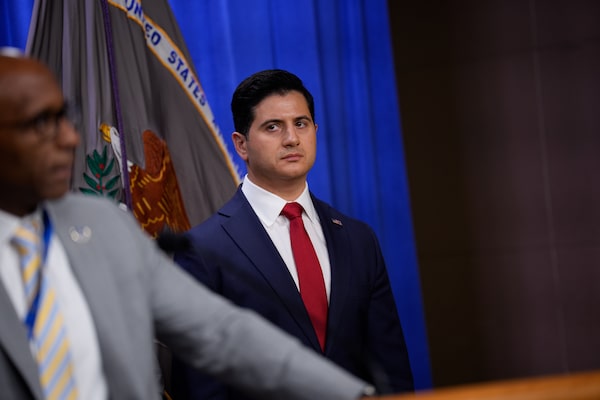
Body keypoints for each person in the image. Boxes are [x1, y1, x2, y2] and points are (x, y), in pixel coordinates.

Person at [0, 54, 377, 400]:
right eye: (40, 123)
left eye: (64, 117)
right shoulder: (207, 244)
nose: (70, 138)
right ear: (242, 144)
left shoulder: (106, 226)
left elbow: (220, 334)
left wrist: (356, 396)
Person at [170, 69, 414, 399]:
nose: (292, 139)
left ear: (315, 131)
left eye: (301, 124)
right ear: (241, 145)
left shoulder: (359, 239)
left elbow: (392, 370)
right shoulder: (203, 249)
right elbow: (200, 386)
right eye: (273, 127)